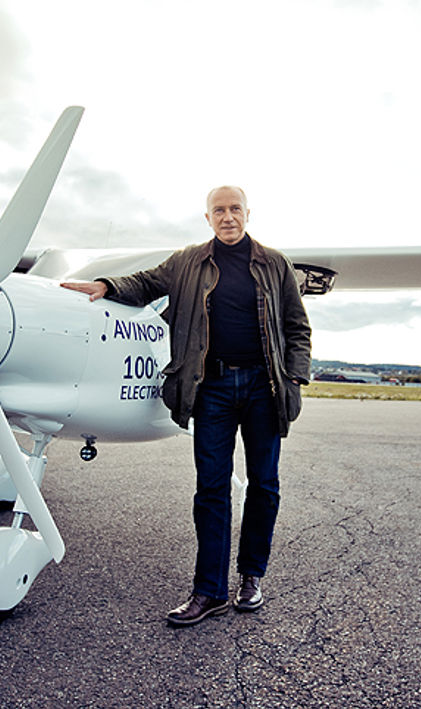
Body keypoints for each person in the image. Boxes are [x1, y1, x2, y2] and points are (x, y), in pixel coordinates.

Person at [61, 185, 312, 626]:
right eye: (220, 210)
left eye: (235, 209)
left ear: (248, 214)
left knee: (264, 484)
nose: (228, 216)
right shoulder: (187, 261)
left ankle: (251, 577)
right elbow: (145, 283)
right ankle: (210, 591)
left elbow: (297, 326)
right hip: (209, 386)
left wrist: (294, 375)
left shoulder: (275, 263)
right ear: (208, 217)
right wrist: (105, 285)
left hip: (264, 387)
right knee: (211, 491)